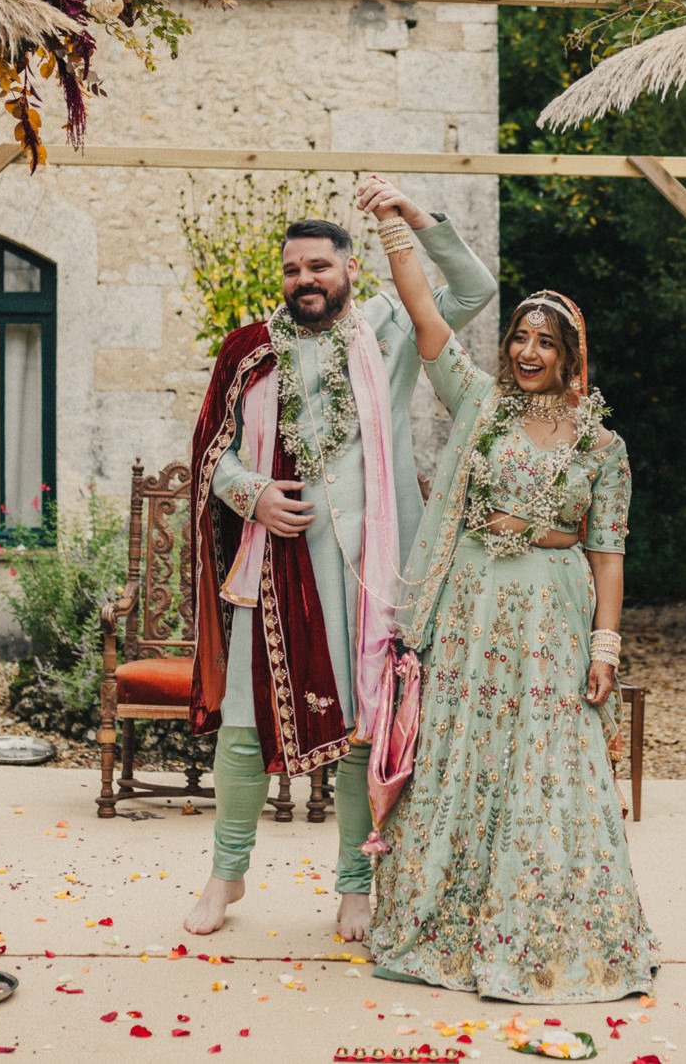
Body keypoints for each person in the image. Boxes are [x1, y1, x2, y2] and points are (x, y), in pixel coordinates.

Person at [360, 195, 659, 1003]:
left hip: (551, 623)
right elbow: (425, 314)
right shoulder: (480, 409)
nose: (528, 350)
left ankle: (544, 929)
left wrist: (605, 646)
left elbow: (609, 554)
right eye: (520, 337)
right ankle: (448, 923)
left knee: (551, 765)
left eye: (545, 341)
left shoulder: (603, 444)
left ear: (571, 354)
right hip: (470, 617)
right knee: (464, 760)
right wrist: (400, 222)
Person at [184, 176, 496, 942]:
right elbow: (209, 456)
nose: (305, 281)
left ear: (350, 267)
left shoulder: (390, 328)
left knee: (366, 728)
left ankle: (356, 884)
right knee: (243, 728)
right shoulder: (250, 350)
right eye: (293, 270)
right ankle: (226, 877)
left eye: (319, 267)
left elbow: (475, 288)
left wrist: (414, 217)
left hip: (374, 570)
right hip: (273, 568)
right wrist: (251, 492)